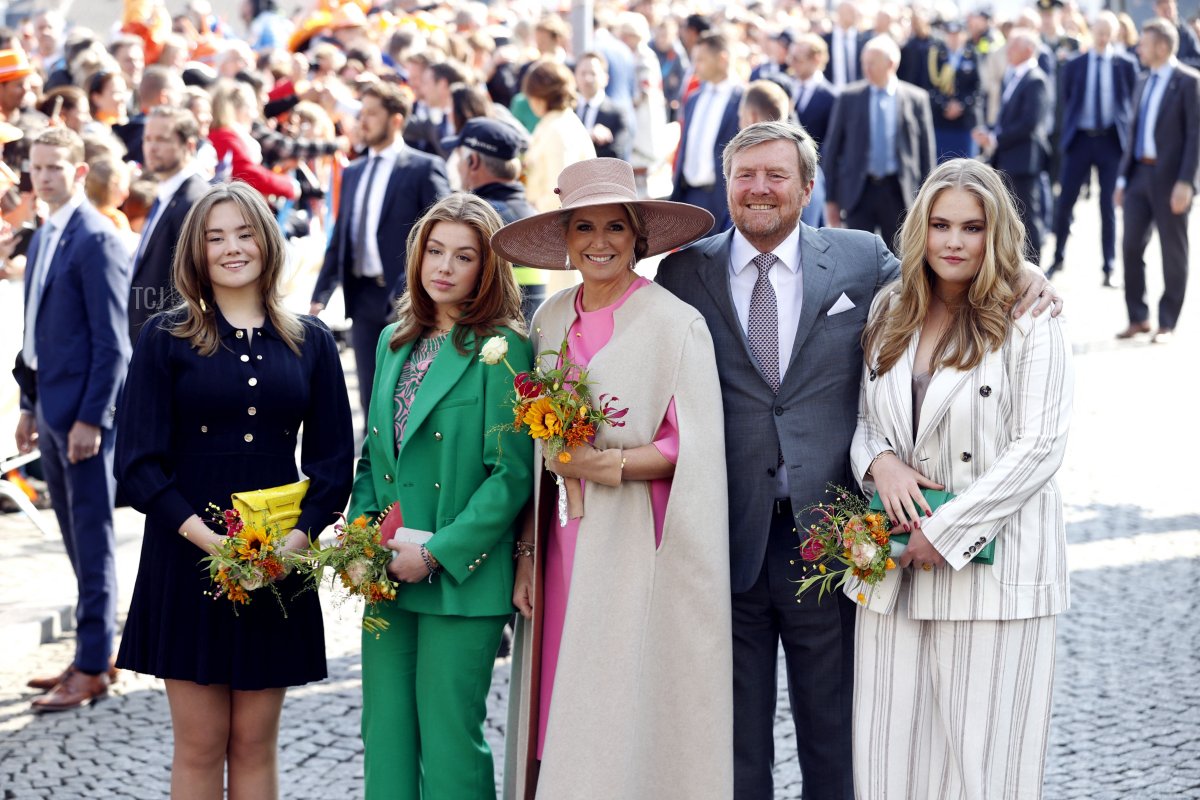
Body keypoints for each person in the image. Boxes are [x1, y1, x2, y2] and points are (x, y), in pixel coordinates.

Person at [655, 121, 1060, 800]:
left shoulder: (858, 259)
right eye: (745, 174)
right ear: (725, 182)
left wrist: (1025, 270)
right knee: (729, 741)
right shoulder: (681, 273)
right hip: (725, 537)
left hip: (834, 538)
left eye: (776, 175)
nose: (759, 189)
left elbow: (947, 260)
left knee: (838, 735)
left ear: (808, 188)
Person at [494, 158, 732, 800]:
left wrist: (610, 464)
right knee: (560, 690)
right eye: (584, 228)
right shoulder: (546, 321)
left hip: (633, 541)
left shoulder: (673, 323)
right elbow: (530, 454)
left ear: (638, 238)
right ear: (566, 241)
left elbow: (695, 446)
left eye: (616, 228)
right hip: (560, 543)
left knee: (619, 694)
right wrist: (525, 557)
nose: (600, 242)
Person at [114, 181, 354, 798]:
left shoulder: (311, 340)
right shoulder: (164, 337)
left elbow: (332, 462)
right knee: (198, 745)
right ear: (196, 251)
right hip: (184, 556)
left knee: (254, 743)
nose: (231, 248)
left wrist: (294, 547)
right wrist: (210, 544)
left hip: (279, 560)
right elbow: (138, 462)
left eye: (244, 233)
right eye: (215, 237)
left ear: (267, 242)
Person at [848, 157, 1072, 798]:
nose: (953, 241)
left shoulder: (1032, 315)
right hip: (894, 572)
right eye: (941, 225)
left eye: (972, 228)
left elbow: (1041, 446)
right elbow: (864, 416)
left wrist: (945, 531)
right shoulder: (891, 306)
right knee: (891, 768)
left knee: (987, 772)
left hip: (995, 575)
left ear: (995, 232)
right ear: (921, 228)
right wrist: (878, 462)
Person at [351, 192, 533, 799]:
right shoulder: (392, 342)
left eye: (463, 256)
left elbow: (510, 475)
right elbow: (374, 459)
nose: (445, 267)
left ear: (487, 269)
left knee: (452, 740)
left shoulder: (504, 348)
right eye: (434, 251)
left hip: (459, 576)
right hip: (386, 571)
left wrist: (434, 554)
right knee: (386, 737)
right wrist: (358, 541)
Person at [15, 127, 130, 711]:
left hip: (84, 422)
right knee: (74, 542)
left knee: (93, 539)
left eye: (55, 167)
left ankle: (91, 666)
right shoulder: (42, 236)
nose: (43, 176)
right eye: (36, 167)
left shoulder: (96, 238)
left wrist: (93, 419)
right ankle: (93, 650)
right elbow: (35, 330)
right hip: (50, 412)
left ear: (80, 172)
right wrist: (28, 405)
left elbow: (114, 345)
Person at [310, 81, 451, 420]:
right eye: (362, 114)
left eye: (373, 114)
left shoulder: (422, 167)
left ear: (396, 120)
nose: (364, 121)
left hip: (407, 298)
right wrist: (321, 294)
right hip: (361, 298)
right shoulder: (354, 171)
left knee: (407, 394)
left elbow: (443, 232)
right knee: (371, 396)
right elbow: (341, 235)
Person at [1113, 17, 1200, 344]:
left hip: (1171, 180)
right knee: (1131, 246)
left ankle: (1167, 322)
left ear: (1162, 47)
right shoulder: (1142, 79)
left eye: (1144, 43)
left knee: (1173, 251)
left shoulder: (1189, 81)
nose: (1138, 48)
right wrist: (1121, 180)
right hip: (1138, 176)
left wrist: (1187, 183)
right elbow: (1134, 132)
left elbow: (1195, 136)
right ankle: (1138, 317)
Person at [1048, 12, 1138, 287]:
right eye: (1098, 31)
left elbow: (1131, 104)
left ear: (1114, 34)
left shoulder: (1126, 64)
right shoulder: (1075, 64)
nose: (1101, 37)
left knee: (1108, 206)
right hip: (1081, 139)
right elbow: (1066, 99)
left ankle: (1109, 265)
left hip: (1111, 141)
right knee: (1066, 201)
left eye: (1106, 32)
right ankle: (1058, 255)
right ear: (1092, 32)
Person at [823, 35, 937, 248]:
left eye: (872, 63)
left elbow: (926, 153)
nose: (866, 68)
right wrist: (831, 199)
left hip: (898, 193)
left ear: (891, 64)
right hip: (859, 192)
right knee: (858, 257)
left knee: (899, 259)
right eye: (863, 62)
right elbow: (832, 151)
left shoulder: (916, 98)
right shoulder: (849, 97)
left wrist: (928, 198)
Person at [442, 117, 543, 322]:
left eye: (460, 158)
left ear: (473, 161)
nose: (458, 166)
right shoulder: (534, 215)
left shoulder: (474, 219)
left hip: (482, 343)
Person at [129, 106, 210, 345]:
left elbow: (198, 282)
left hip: (173, 340)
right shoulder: (166, 191)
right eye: (147, 139)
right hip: (149, 337)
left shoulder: (195, 200)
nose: (151, 148)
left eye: (162, 140)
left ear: (189, 145)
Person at [972, 28, 1052, 266]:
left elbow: (1029, 123)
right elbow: (1007, 117)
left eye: (1014, 46)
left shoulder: (1035, 79)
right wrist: (990, 130)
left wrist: (996, 139)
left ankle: (1035, 269)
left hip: (1024, 161)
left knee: (1028, 217)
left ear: (1028, 50)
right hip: (1010, 158)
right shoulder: (1015, 76)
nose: (1008, 50)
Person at [670, 31, 743, 232]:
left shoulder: (742, 99)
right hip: (688, 195)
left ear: (722, 59)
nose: (696, 66)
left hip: (721, 199)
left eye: (701, 59)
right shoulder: (694, 98)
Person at [520, 59, 596, 213]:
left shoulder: (557, 129)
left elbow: (559, 192)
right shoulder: (559, 122)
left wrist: (532, 212)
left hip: (551, 221)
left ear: (539, 98)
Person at [574, 52, 634, 162]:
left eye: (593, 73)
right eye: (583, 73)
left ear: (605, 78)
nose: (587, 78)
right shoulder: (568, 110)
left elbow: (617, 153)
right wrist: (589, 135)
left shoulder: (617, 113)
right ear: (575, 77)